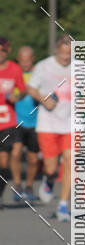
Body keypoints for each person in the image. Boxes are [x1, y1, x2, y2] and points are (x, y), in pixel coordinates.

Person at [27, 35, 72, 221]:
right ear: (56, 51)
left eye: (69, 55)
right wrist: (43, 99)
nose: (66, 59)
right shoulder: (44, 66)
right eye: (63, 55)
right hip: (48, 123)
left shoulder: (79, 67)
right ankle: (49, 178)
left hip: (70, 122)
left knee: (70, 161)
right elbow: (31, 88)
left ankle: (63, 205)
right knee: (51, 166)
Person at [11, 45, 40, 202]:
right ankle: (17, 185)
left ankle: (28, 186)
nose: (25, 64)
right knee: (15, 153)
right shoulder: (14, 73)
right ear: (18, 59)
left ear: (32, 60)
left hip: (36, 122)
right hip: (16, 121)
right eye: (22, 61)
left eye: (28, 61)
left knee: (33, 159)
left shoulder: (39, 74)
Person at [0, 36, 26, 208]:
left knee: (9, 160)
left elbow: (23, 90)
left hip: (8, 122)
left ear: (8, 51)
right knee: (2, 163)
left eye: (2, 50)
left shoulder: (14, 69)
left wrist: (17, 96)